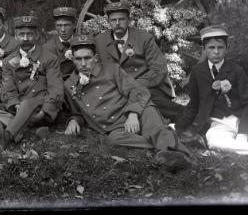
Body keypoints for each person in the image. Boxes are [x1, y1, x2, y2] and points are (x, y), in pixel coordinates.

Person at [64, 35, 194, 172]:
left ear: (95, 58)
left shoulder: (112, 70)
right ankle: (170, 145)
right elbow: (77, 112)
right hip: (115, 127)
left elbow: (138, 90)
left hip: (137, 110)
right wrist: (74, 120)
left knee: (153, 127)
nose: (83, 64)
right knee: (112, 141)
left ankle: (178, 157)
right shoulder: (69, 84)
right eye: (78, 59)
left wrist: (133, 114)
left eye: (87, 58)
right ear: (72, 59)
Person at [176, 25, 248, 156]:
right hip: (217, 122)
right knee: (215, 142)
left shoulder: (236, 70)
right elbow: (194, 103)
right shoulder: (198, 71)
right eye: (211, 48)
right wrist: (179, 126)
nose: (216, 52)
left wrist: (243, 133)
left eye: (220, 47)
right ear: (204, 49)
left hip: (240, 117)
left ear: (226, 49)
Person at [0, 15, 64, 149]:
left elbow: (56, 88)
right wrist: (14, 104)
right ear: (15, 35)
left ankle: (6, 137)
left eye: (29, 34)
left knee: (28, 103)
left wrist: (45, 111)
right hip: (19, 106)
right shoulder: (9, 61)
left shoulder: (49, 58)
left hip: (39, 106)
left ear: (37, 35)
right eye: (21, 34)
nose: (25, 39)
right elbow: (8, 88)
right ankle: (27, 129)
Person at [94, 2, 183, 122]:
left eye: (121, 19)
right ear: (108, 22)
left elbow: (159, 69)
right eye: (113, 20)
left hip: (146, 85)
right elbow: (96, 69)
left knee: (147, 98)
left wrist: (134, 86)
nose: (117, 23)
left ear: (129, 20)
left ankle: (188, 116)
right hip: (116, 88)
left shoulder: (144, 38)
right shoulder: (99, 41)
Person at [42, 7, 78, 81]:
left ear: (74, 25)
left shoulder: (82, 43)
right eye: (59, 25)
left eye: (66, 25)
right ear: (55, 26)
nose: (63, 30)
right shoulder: (47, 48)